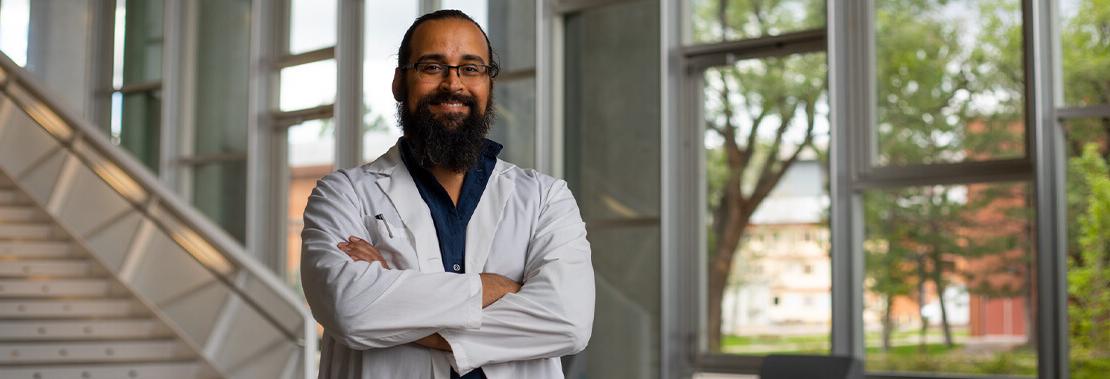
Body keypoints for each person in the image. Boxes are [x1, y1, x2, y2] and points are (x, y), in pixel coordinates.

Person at [299, 9, 595, 379]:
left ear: (489, 83)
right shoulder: (342, 195)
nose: (453, 84)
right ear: (399, 83)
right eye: (432, 67)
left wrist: (398, 306)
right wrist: (494, 289)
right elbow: (350, 310)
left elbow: (568, 322)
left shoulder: (545, 199)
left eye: (471, 68)